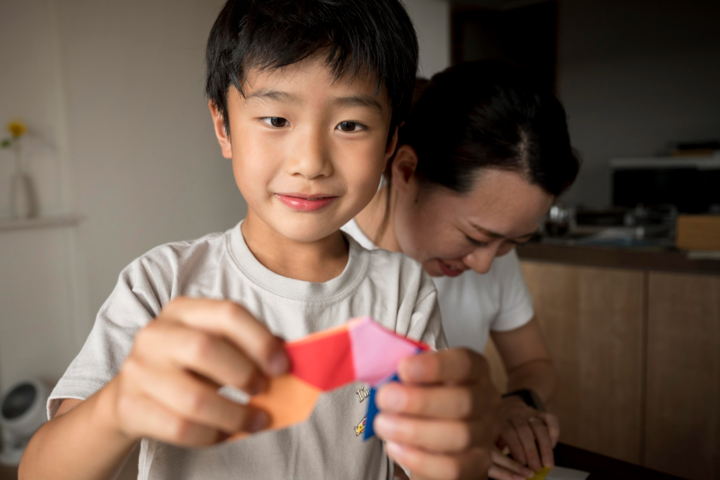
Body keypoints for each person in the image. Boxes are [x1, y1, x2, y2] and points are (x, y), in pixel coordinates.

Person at [19, 2, 501, 479]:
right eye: (276, 120)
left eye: (350, 125)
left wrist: (463, 454)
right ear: (223, 126)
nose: (311, 162)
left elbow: (425, 462)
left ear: (391, 142)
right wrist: (117, 407)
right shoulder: (161, 284)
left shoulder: (401, 294)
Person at [344, 60, 580, 480]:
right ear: (405, 172)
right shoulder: (326, 264)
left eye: (513, 241)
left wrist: (516, 402)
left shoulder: (491, 250)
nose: (485, 263)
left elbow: (535, 364)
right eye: (474, 236)